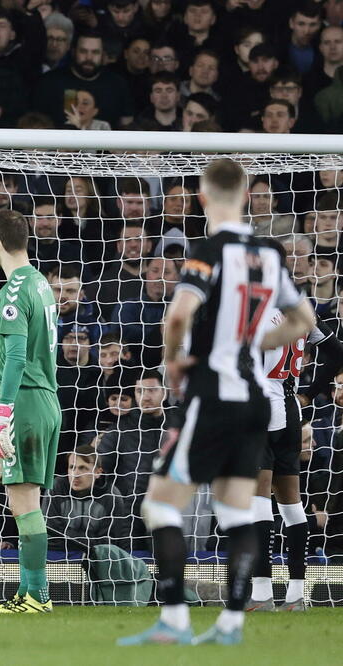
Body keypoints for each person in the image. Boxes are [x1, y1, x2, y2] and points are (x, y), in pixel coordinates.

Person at [119, 158, 316, 646]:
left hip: (214, 392)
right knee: (237, 508)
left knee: (161, 506)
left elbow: (178, 316)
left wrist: (174, 363)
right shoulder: (269, 252)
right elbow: (304, 320)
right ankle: (230, 622)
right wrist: (258, 347)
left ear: (203, 199)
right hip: (256, 399)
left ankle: (175, 619)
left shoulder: (205, 250)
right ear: (247, 196)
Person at [0, 209, 61, 615]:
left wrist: (2, 410)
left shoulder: (12, 289)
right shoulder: (42, 284)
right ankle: (30, 592)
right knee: (27, 500)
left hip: (26, 399)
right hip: (47, 397)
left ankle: (37, 596)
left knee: (24, 502)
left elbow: (15, 355)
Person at [248, 314, 343, 612]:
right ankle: (296, 597)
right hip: (291, 410)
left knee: (259, 500)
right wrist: (310, 393)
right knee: (291, 504)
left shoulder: (256, 310)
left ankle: (262, 594)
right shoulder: (302, 312)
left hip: (261, 408)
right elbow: (337, 352)